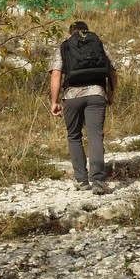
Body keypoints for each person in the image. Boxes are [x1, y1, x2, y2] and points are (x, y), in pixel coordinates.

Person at [48, 20, 118, 195]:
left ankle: (81, 180)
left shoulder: (65, 46)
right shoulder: (97, 44)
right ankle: (98, 181)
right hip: (96, 93)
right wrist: (110, 94)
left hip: (72, 96)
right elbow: (113, 72)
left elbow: (56, 74)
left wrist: (54, 101)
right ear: (87, 31)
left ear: (70, 33)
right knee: (95, 136)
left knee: (74, 136)